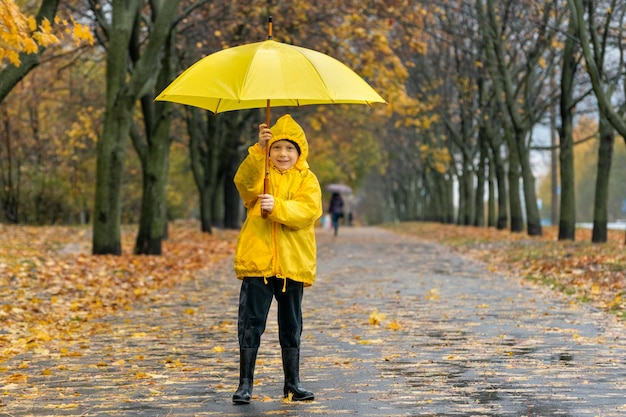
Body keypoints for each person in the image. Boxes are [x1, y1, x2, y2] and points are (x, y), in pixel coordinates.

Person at [232, 114, 322, 404]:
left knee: (291, 324)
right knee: (250, 322)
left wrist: (278, 206)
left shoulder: (307, 178)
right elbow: (244, 184)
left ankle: (292, 383)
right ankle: (245, 384)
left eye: (289, 149)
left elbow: (307, 211)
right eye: (277, 148)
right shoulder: (261, 172)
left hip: (292, 264)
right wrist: (258, 151)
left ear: (299, 152)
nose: (283, 154)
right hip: (259, 261)